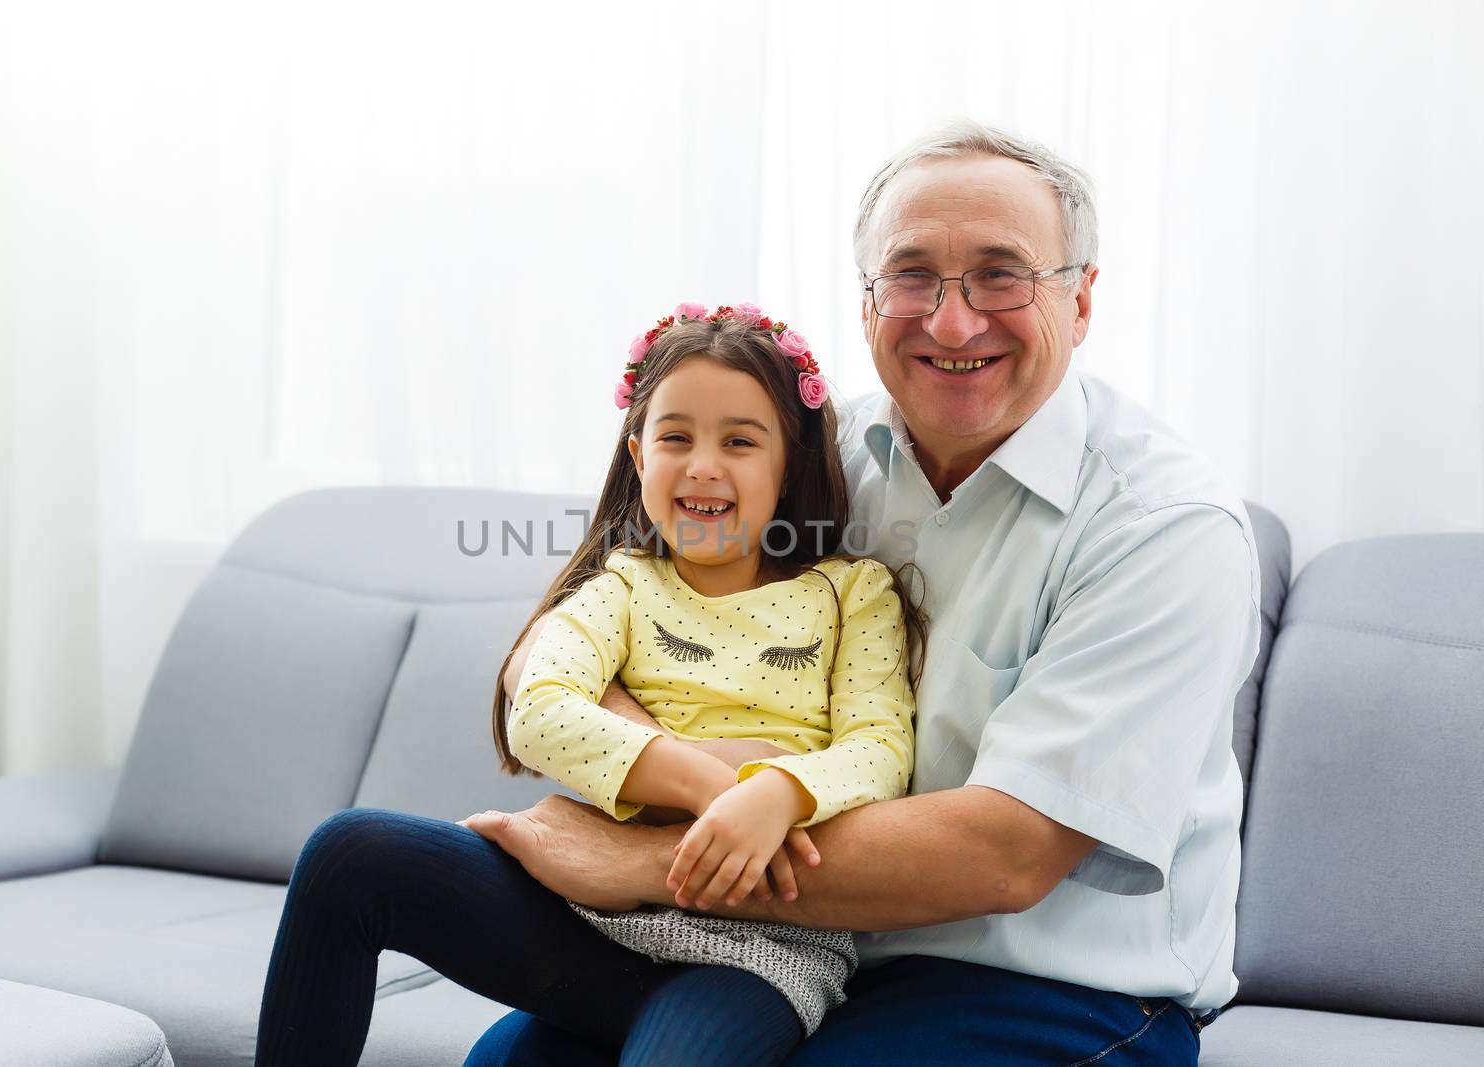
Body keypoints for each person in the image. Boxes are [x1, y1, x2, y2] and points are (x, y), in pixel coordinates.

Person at [461, 120, 1262, 1066]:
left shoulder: (1164, 528)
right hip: (800, 944)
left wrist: (642, 861)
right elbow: (577, 632)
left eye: (1001, 275)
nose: (952, 321)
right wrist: (699, 774)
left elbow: (1006, 853)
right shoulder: (808, 459)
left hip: (1054, 989)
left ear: (1081, 300)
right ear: (867, 298)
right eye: (912, 276)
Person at [254, 304, 920, 1066]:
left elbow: (880, 753)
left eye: (739, 440)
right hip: (587, 918)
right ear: (639, 458)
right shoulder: (621, 587)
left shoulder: (851, 592)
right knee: (350, 850)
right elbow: (538, 707)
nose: (704, 463)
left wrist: (774, 795)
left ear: (791, 463)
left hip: (754, 955)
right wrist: (715, 786)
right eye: (676, 437)